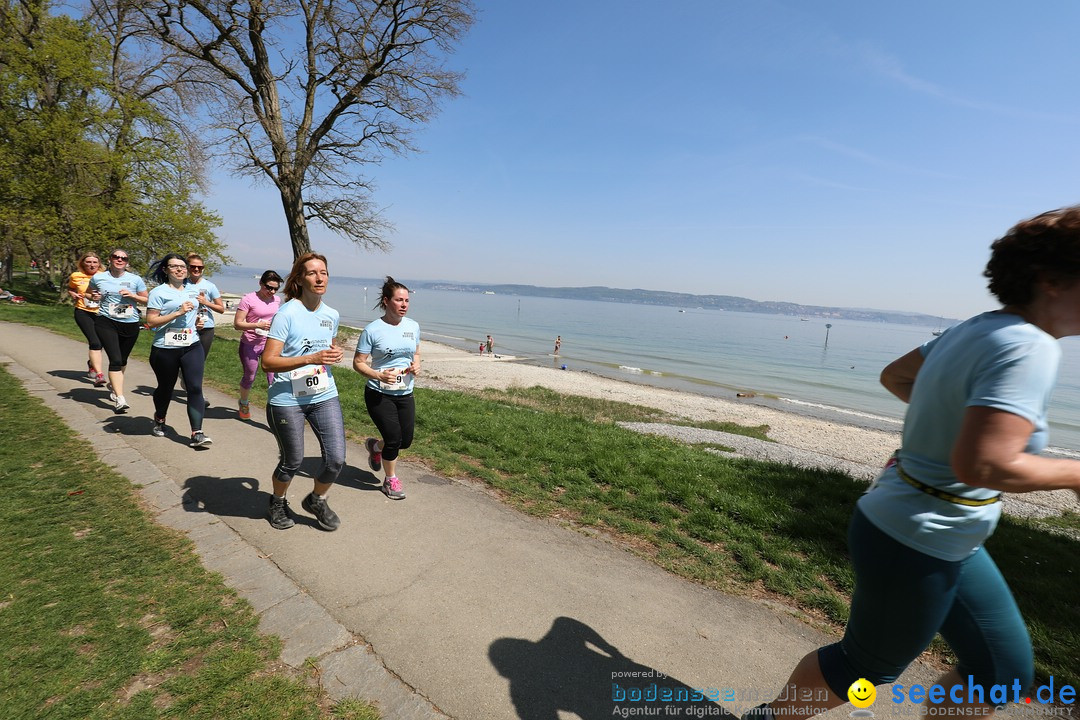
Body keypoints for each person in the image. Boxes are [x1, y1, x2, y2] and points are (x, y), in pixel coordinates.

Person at [745, 207, 1080, 720]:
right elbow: (985, 466)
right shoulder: (1031, 347)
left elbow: (896, 377)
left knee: (1000, 671)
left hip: (946, 528)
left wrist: (942, 433)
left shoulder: (980, 328)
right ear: (1052, 279)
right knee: (865, 668)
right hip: (916, 536)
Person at [259, 252, 344, 531]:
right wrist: (311, 358)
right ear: (300, 279)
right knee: (292, 461)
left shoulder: (331, 314)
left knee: (335, 459)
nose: (320, 278)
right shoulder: (287, 314)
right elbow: (268, 362)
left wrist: (334, 353)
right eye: (312, 273)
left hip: (323, 394)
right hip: (287, 399)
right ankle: (278, 501)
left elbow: (326, 347)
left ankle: (316, 500)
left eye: (324, 272)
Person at [353, 276, 421, 500]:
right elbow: (358, 362)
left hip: (405, 392)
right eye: (399, 300)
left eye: (407, 300)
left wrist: (416, 364)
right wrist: (378, 374)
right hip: (378, 393)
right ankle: (390, 480)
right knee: (394, 439)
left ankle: (375, 446)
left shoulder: (413, 326)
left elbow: (416, 352)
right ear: (386, 301)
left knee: (405, 441)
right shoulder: (373, 330)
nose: (404, 305)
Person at [144, 253, 213, 448]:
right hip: (165, 349)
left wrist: (199, 322)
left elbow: (197, 311)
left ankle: (197, 432)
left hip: (191, 345)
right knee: (166, 388)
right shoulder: (158, 292)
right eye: (174, 266)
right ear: (165, 270)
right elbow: (151, 322)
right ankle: (159, 418)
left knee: (195, 387)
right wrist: (178, 312)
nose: (180, 269)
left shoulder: (193, 290)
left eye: (183, 266)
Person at [87, 249, 148, 413]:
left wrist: (133, 296)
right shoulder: (99, 277)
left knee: (122, 360)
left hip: (130, 323)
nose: (120, 260)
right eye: (116, 257)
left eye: (124, 258)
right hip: (106, 321)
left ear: (127, 262)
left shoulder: (135, 279)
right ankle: (120, 399)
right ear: (109, 259)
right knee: (114, 359)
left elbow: (147, 299)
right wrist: (93, 297)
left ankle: (114, 385)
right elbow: (89, 293)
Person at [233, 270, 283, 420]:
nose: (272, 291)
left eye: (275, 288)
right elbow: (237, 324)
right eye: (269, 287)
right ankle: (243, 402)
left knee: (273, 378)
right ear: (260, 283)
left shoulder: (277, 300)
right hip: (250, 343)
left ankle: (276, 409)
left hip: (270, 343)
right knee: (250, 375)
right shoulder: (248, 299)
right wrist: (257, 325)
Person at [67, 252, 107, 386]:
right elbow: (71, 288)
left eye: (95, 262)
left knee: (101, 342)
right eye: (88, 262)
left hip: (102, 313)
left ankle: (92, 364)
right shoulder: (76, 276)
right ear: (83, 263)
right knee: (95, 342)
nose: (92, 265)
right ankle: (99, 375)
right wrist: (73, 294)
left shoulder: (105, 276)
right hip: (83, 312)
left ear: (99, 264)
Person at [184, 253, 225, 360]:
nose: (196, 269)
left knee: (200, 360)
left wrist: (206, 302)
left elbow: (221, 309)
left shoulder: (210, 286)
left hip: (206, 328)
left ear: (203, 268)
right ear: (188, 268)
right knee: (185, 359)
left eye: (200, 267)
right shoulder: (182, 284)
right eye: (193, 266)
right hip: (187, 325)